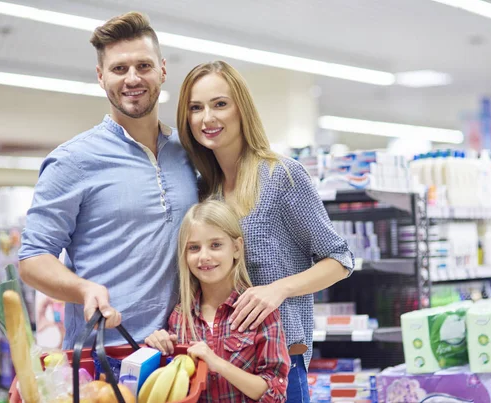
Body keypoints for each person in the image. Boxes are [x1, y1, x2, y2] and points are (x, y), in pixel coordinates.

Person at [176, 60, 354, 401]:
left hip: (278, 365)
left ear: (241, 108)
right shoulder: (204, 192)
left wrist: (279, 289)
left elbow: (341, 258)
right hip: (219, 366)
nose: (207, 118)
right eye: (196, 108)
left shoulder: (281, 177)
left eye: (220, 104)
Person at [18, 12, 198, 349]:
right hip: (106, 357)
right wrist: (83, 289)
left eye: (143, 66)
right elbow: (33, 260)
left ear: (162, 70)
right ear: (101, 77)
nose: (132, 78)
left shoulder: (188, 154)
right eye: (119, 69)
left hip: (181, 352)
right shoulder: (72, 161)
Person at [145, 200, 290, 402]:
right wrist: (159, 349)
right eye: (194, 248)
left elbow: (275, 393)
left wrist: (217, 363)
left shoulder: (259, 311)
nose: (204, 256)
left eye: (215, 245)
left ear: (237, 248)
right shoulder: (180, 317)